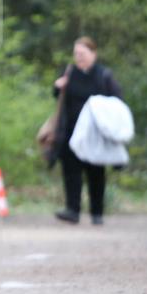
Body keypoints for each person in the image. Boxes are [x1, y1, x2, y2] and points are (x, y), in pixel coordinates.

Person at [50, 36, 122, 225]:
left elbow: (117, 101)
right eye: (76, 54)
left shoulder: (103, 75)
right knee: (71, 171)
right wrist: (57, 87)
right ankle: (72, 210)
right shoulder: (69, 73)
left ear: (93, 53)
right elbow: (57, 96)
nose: (79, 57)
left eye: (82, 53)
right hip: (71, 131)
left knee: (96, 172)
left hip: (95, 134)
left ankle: (97, 213)